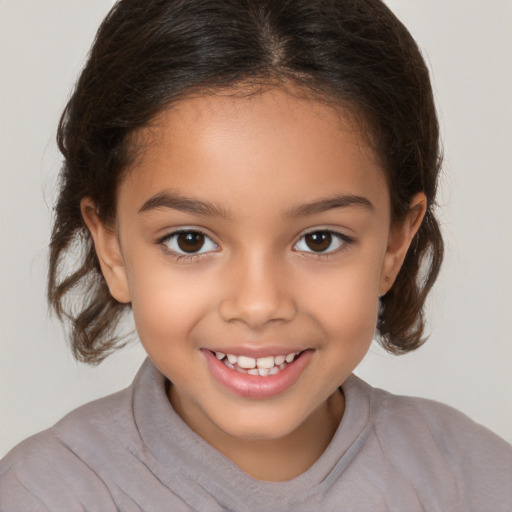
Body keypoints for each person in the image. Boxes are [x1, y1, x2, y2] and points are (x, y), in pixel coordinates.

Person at [1, 0, 511, 510]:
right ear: (111, 247)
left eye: (319, 240)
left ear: (394, 244)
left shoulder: (475, 481)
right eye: (190, 240)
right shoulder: (43, 494)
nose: (259, 304)